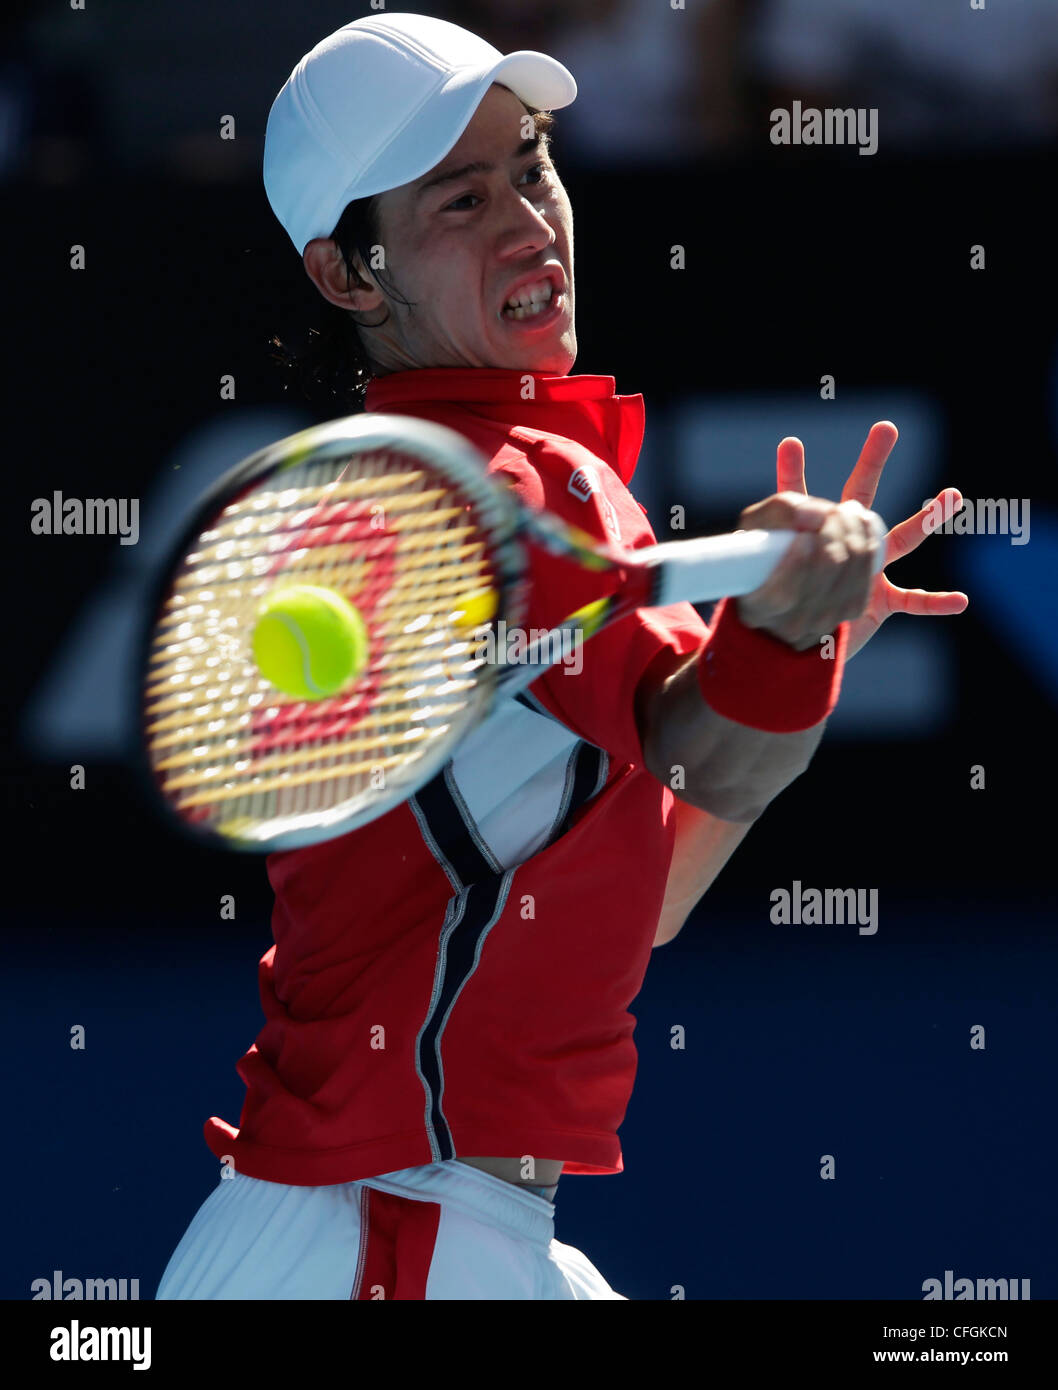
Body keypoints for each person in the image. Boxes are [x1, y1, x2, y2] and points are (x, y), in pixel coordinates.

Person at [155, 12, 966, 1301]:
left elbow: (624, 916)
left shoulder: (430, 490)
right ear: (348, 277)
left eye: (532, 164)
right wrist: (778, 640)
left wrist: (805, 645)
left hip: (380, 1232)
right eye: (459, 201)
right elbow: (711, 741)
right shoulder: (505, 488)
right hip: (390, 1241)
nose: (529, 221)